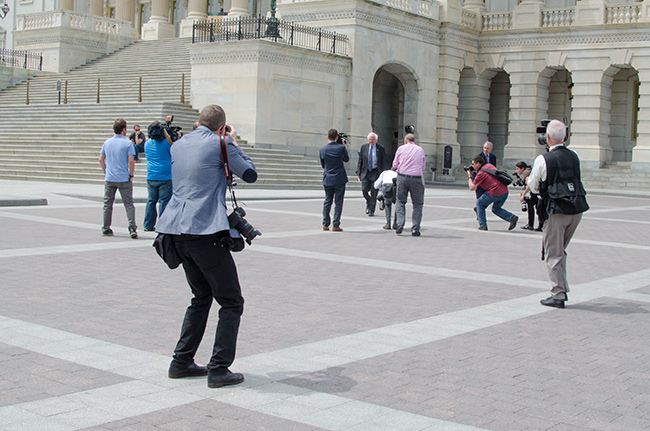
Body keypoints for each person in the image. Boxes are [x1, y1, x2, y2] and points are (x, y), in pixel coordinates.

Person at [156, 105, 257, 388]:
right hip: (205, 230)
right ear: (222, 127)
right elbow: (249, 174)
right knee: (231, 301)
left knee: (201, 296)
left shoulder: (179, 145)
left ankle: (181, 361)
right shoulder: (221, 143)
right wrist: (232, 142)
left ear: (199, 122)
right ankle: (219, 368)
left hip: (175, 230)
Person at [528, 119, 589, 309]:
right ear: (565, 136)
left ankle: (558, 294)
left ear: (547, 137)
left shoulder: (543, 159)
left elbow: (533, 185)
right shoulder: (574, 156)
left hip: (556, 210)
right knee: (560, 250)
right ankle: (562, 287)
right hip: (576, 209)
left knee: (553, 253)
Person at [99, 119, 137, 238]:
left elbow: (101, 159)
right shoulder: (127, 143)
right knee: (129, 204)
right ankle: (132, 228)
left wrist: (106, 171)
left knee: (108, 204)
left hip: (110, 178)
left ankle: (106, 227)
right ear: (124, 129)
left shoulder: (107, 142)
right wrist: (131, 174)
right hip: (123, 178)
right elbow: (131, 161)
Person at [467, 156, 518, 231]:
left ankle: (483, 225)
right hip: (504, 191)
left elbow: (472, 187)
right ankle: (511, 217)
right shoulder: (489, 166)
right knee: (496, 209)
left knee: (479, 203)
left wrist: (470, 177)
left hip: (494, 192)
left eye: (473, 164)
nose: (472, 166)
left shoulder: (480, 174)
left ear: (478, 164)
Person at [392, 133, 426, 236]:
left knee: (400, 201)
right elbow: (423, 166)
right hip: (416, 178)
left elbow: (395, 164)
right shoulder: (420, 150)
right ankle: (415, 228)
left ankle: (400, 223)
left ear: (406, 141)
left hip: (402, 177)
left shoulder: (401, 148)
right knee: (417, 204)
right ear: (414, 141)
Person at [143, 121, 173, 232]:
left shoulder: (147, 143)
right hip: (165, 176)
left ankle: (148, 224)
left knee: (151, 200)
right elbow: (173, 151)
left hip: (151, 175)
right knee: (164, 201)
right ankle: (163, 225)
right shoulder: (166, 143)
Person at [320, 129, 349, 231]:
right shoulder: (341, 148)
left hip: (328, 178)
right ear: (337, 137)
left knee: (327, 201)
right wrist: (343, 146)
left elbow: (323, 165)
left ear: (328, 137)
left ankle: (325, 224)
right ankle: (336, 224)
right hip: (339, 179)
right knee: (339, 202)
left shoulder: (322, 149)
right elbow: (346, 159)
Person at [356, 132, 386, 216]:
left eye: (372, 139)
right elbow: (360, 161)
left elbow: (383, 162)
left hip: (375, 172)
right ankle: (369, 202)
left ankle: (371, 210)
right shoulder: (364, 147)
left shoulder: (380, 148)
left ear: (376, 140)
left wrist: (383, 174)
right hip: (366, 172)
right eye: (370, 139)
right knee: (364, 190)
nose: (371, 141)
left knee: (374, 192)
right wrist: (358, 172)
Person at [515, 161, 543, 231]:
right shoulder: (529, 170)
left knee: (530, 205)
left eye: (518, 169)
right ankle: (541, 225)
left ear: (522, 168)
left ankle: (530, 225)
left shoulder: (526, 173)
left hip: (534, 192)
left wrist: (523, 194)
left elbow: (529, 185)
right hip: (539, 191)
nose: (517, 171)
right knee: (538, 208)